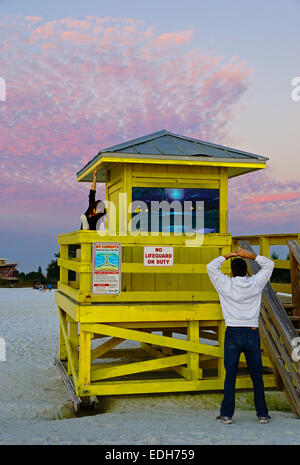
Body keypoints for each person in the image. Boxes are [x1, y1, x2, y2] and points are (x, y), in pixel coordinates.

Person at [206, 247, 274, 424]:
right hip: (252, 331)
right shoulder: (256, 283)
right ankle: (262, 414)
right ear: (246, 270)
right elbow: (269, 264)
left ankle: (227, 414)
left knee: (230, 375)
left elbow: (211, 267)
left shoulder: (225, 283)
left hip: (233, 331)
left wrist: (227, 255)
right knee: (256, 375)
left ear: (231, 271)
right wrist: (250, 255)